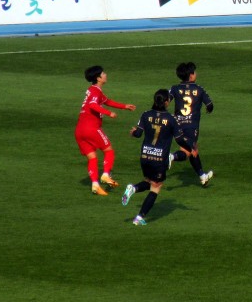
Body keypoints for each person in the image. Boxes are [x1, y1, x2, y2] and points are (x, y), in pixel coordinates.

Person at [123, 89, 193, 226]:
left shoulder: (145, 114)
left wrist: (133, 133)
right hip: (159, 158)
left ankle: (133, 189)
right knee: (156, 186)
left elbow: (137, 134)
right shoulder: (171, 119)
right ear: (166, 102)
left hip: (145, 155)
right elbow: (179, 140)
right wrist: (191, 148)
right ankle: (139, 217)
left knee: (149, 181)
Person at [75, 65, 136, 195]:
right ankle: (106, 175)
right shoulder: (96, 91)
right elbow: (92, 105)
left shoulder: (93, 90)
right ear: (98, 78)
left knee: (92, 157)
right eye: (103, 73)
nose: (105, 75)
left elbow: (107, 101)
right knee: (109, 151)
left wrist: (124, 106)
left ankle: (95, 185)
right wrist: (109, 113)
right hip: (91, 128)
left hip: (79, 130)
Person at [169, 61, 214, 186]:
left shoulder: (174, 88)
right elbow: (210, 105)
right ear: (191, 75)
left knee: (192, 149)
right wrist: (208, 110)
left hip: (177, 124)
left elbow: (166, 100)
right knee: (189, 151)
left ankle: (202, 176)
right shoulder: (199, 89)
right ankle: (172, 157)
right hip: (191, 126)